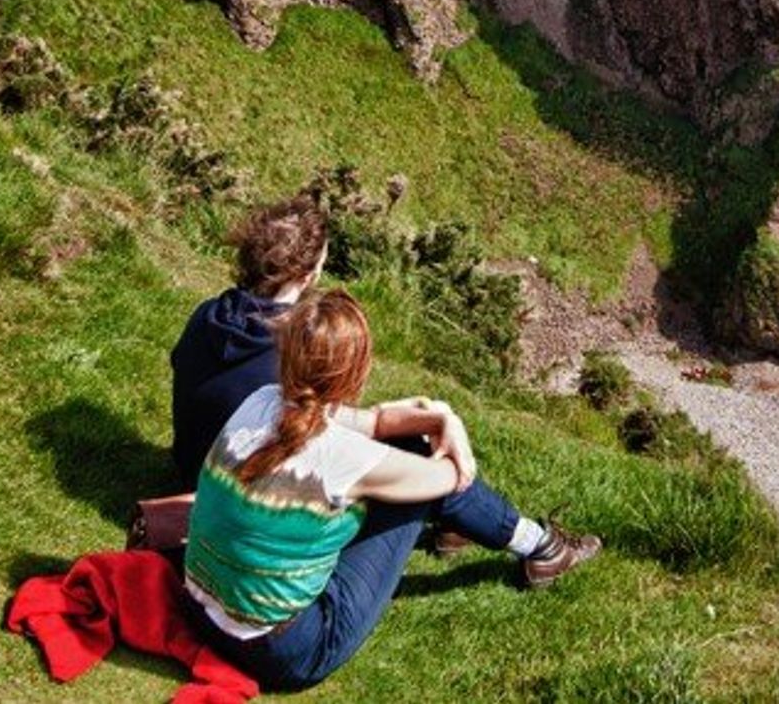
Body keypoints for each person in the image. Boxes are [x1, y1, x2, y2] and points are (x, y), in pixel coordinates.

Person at [182, 288, 599, 689]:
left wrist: (442, 419)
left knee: (409, 448)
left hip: (201, 614)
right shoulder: (343, 458)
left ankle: (482, 534)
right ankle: (541, 547)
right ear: (356, 374)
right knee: (423, 465)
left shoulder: (260, 401)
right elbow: (452, 480)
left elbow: (375, 422)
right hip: (287, 652)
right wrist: (450, 428)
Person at [169, 192, 329, 489]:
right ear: (308, 276)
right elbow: (320, 429)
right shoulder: (301, 348)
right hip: (241, 495)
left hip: (190, 472)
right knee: (413, 450)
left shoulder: (207, 314)